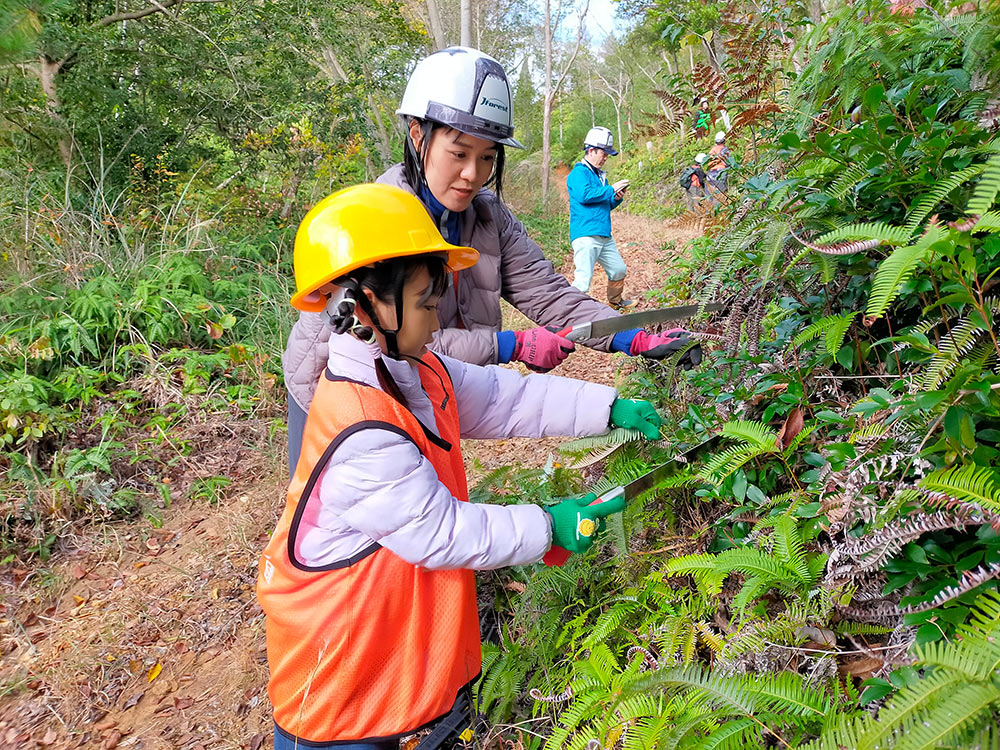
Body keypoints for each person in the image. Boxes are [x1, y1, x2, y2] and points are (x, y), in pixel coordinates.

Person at [258, 183, 664, 749]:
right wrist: (550, 524)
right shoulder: (359, 427)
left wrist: (608, 407)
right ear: (361, 310)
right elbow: (443, 531)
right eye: (426, 303)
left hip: (379, 659)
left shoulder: (413, 369)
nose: (435, 317)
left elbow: (506, 400)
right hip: (335, 674)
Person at [283, 47, 696, 474]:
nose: (473, 174)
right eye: (459, 154)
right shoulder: (380, 222)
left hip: (414, 389)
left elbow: (549, 294)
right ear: (417, 134)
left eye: (486, 157)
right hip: (330, 390)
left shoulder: (486, 216)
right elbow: (399, 339)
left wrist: (635, 336)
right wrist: (509, 345)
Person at [566, 126, 635, 311]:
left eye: (607, 155)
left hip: (604, 234)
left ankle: (615, 303)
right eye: (603, 154)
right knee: (582, 281)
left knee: (618, 270)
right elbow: (584, 195)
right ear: (591, 150)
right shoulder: (578, 173)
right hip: (585, 234)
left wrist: (615, 198)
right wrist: (611, 189)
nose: (605, 158)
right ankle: (568, 314)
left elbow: (605, 204)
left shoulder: (599, 176)